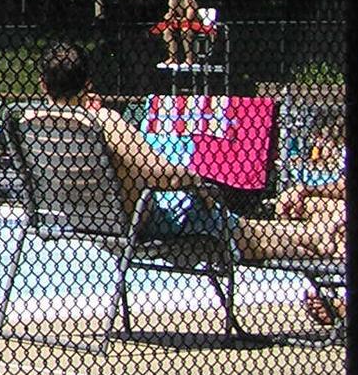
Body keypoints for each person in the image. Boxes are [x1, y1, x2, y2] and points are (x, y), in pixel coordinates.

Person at [34, 41, 315, 261]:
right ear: (88, 83)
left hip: (79, 218)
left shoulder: (31, 122)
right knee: (247, 233)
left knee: (249, 232)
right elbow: (160, 174)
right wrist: (198, 183)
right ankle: (316, 239)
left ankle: (315, 241)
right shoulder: (104, 121)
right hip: (141, 222)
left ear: (43, 84)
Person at [272, 62, 358, 324]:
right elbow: (349, 186)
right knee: (342, 228)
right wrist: (307, 192)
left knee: (346, 217)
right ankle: (352, 303)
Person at [154, 0, 208, 68]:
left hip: (195, 25)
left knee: (185, 30)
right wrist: (168, 16)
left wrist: (176, 19)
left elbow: (189, 17)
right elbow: (171, 15)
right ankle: (173, 58)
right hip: (180, 24)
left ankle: (189, 59)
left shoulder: (188, 0)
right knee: (166, 31)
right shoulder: (171, 1)